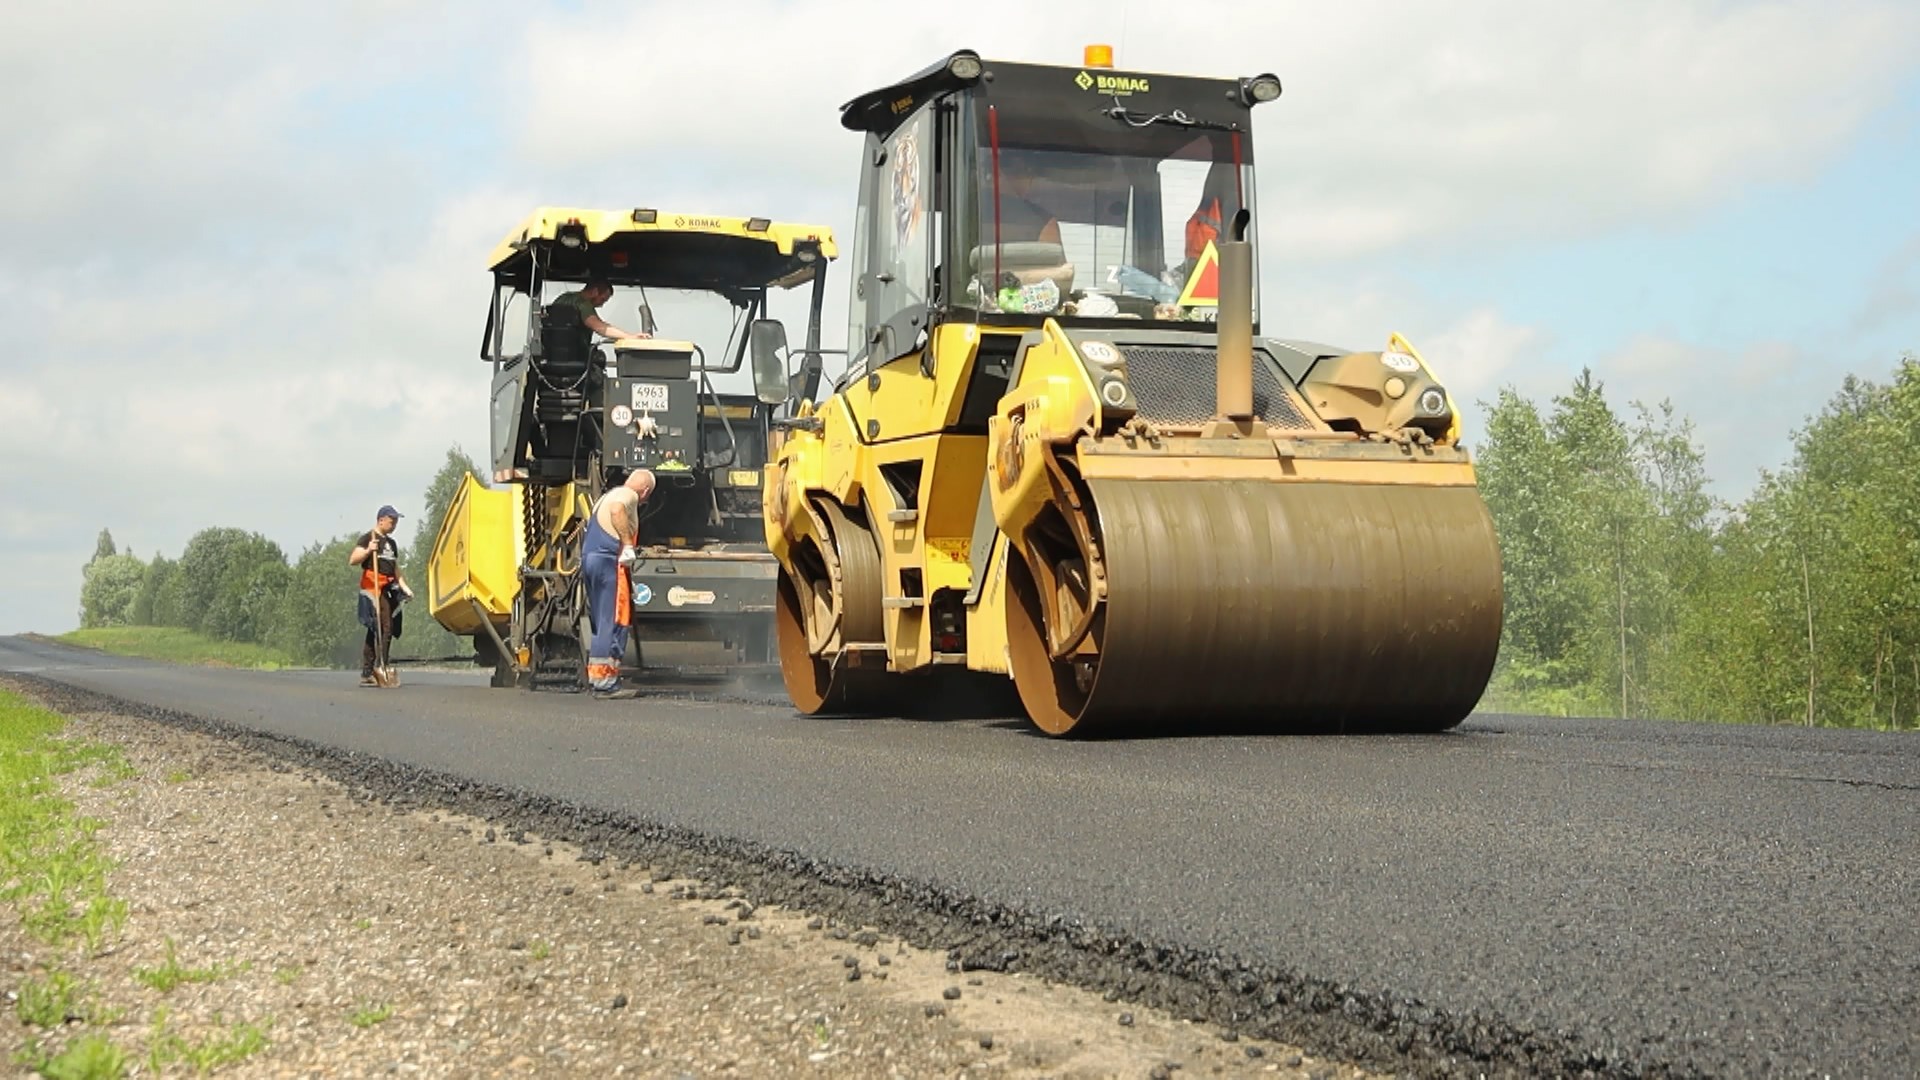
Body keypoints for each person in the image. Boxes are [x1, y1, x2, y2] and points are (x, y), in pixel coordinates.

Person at [582, 469, 656, 699]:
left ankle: (598, 677)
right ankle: (606, 682)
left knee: (601, 621)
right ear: (644, 490)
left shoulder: (606, 496)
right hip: (607, 562)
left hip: (591, 559)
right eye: (648, 495)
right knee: (613, 619)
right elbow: (617, 511)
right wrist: (627, 545)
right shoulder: (628, 496)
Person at [348, 505, 413, 687]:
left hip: (388, 588)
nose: (394, 525)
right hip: (373, 587)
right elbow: (353, 559)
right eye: (392, 521)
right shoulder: (369, 537)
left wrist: (405, 587)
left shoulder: (391, 544)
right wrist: (368, 550)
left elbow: (395, 568)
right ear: (381, 520)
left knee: (374, 628)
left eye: (396, 522)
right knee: (386, 627)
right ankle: (382, 666)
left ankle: (367, 673)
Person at [549, 277, 650, 341]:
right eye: (602, 300)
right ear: (595, 291)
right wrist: (630, 337)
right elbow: (600, 327)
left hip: (551, 356)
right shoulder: (583, 304)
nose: (601, 305)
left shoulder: (563, 298)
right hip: (576, 359)